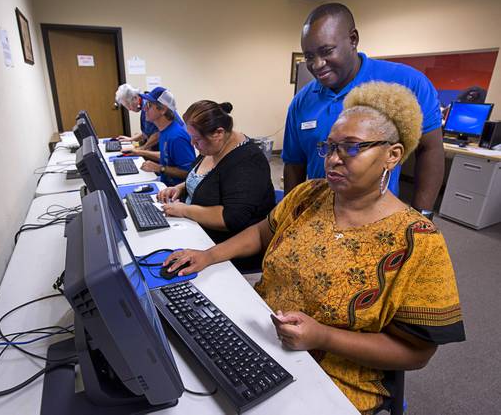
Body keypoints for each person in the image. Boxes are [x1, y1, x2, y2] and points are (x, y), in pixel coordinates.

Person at [162, 82, 465, 414]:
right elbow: (263, 233)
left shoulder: (417, 240)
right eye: (330, 147)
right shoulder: (310, 195)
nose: (333, 160)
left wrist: (323, 337)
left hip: (335, 376)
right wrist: (209, 256)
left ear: (392, 155)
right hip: (262, 335)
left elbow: (417, 353)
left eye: (350, 148)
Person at [282, 3, 444, 221]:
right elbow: (294, 165)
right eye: (309, 56)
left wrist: (422, 216)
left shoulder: (407, 82)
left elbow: (430, 149)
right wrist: (291, 216)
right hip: (318, 216)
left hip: (376, 217)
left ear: (353, 39)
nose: (317, 64)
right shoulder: (302, 102)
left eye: (327, 51)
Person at [157, 100, 275, 272]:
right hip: (198, 231)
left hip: (225, 248)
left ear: (218, 133)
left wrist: (184, 210)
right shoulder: (213, 148)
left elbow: (231, 218)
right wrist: (182, 187)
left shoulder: (247, 162)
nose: (192, 144)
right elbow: (206, 178)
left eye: (196, 139)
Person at [126, 87, 196, 186]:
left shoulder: (176, 137)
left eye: (149, 105)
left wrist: (159, 168)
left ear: (162, 109)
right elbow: (166, 156)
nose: (144, 108)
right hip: (164, 184)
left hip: (174, 193)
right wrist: (139, 151)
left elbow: (188, 173)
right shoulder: (164, 131)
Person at [114, 84, 160, 151]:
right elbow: (147, 132)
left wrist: (141, 149)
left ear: (135, 98)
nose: (129, 109)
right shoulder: (144, 101)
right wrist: (131, 139)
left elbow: (157, 134)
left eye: (128, 104)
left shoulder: (147, 106)